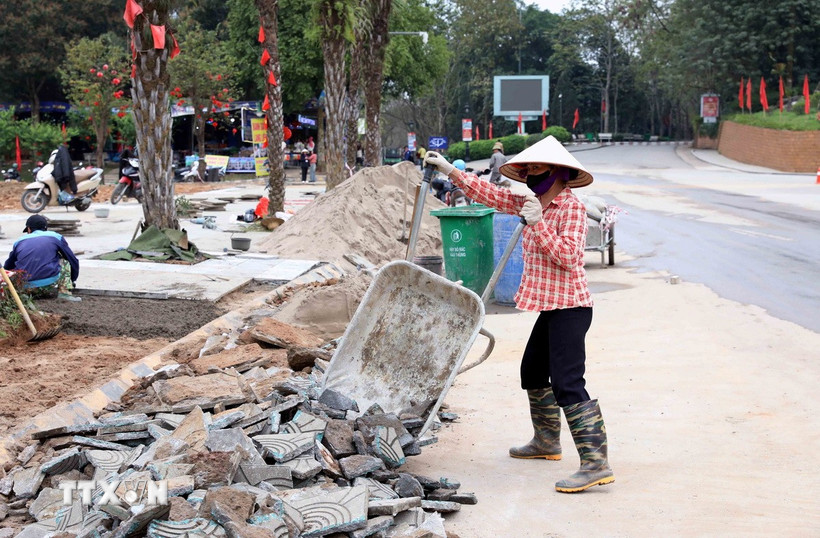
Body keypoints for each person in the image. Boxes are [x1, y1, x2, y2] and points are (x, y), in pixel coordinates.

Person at [423, 136, 613, 494]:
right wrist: (449, 170)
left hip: (571, 308)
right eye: (526, 169)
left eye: (536, 169)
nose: (528, 175)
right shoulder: (530, 201)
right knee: (532, 371)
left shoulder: (570, 208)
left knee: (568, 382)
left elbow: (570, 258)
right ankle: (546, 442)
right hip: (552, 307)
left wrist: (539, 223)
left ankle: (595, 463)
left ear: (558, 173)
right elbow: (490, 195)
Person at [4, 215, 81, 301]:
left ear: (29, 229)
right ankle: (64, 293)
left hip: (25, 287)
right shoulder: (56, 237)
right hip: (48, 285)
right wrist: (72, 280)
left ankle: (23, 295)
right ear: (46, 228)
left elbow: (8, 265)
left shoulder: (19, 241)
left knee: (16, 266)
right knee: (64, 261)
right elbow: (73, 260)